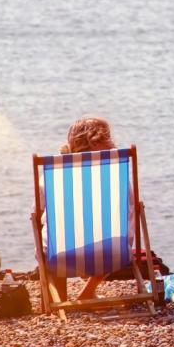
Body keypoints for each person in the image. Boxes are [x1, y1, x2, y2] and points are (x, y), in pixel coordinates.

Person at [53, 116, 117, 301]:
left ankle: (59, 298)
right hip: (111, 251)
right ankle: (89, 290)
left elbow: (40, 209)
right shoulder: (114, 171)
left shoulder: (56, 172)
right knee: (111, 230)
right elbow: (129, 206)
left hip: (62, 251)